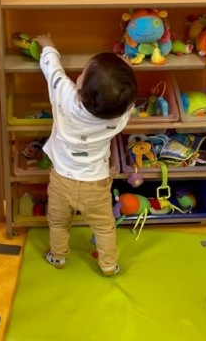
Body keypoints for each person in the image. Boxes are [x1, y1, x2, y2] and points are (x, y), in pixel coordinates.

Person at [33, 33, 137, 276]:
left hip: (62, 180)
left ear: (81, 91)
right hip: (96, 185)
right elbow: (126, 100)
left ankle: (58, 256)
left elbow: (53, 71)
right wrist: (127, 70)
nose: (77, 76)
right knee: (104, 227)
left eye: (81, 75)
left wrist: (48, 46)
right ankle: (108, 265)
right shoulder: (118, 116)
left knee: (58, 223)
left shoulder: (66, 97)